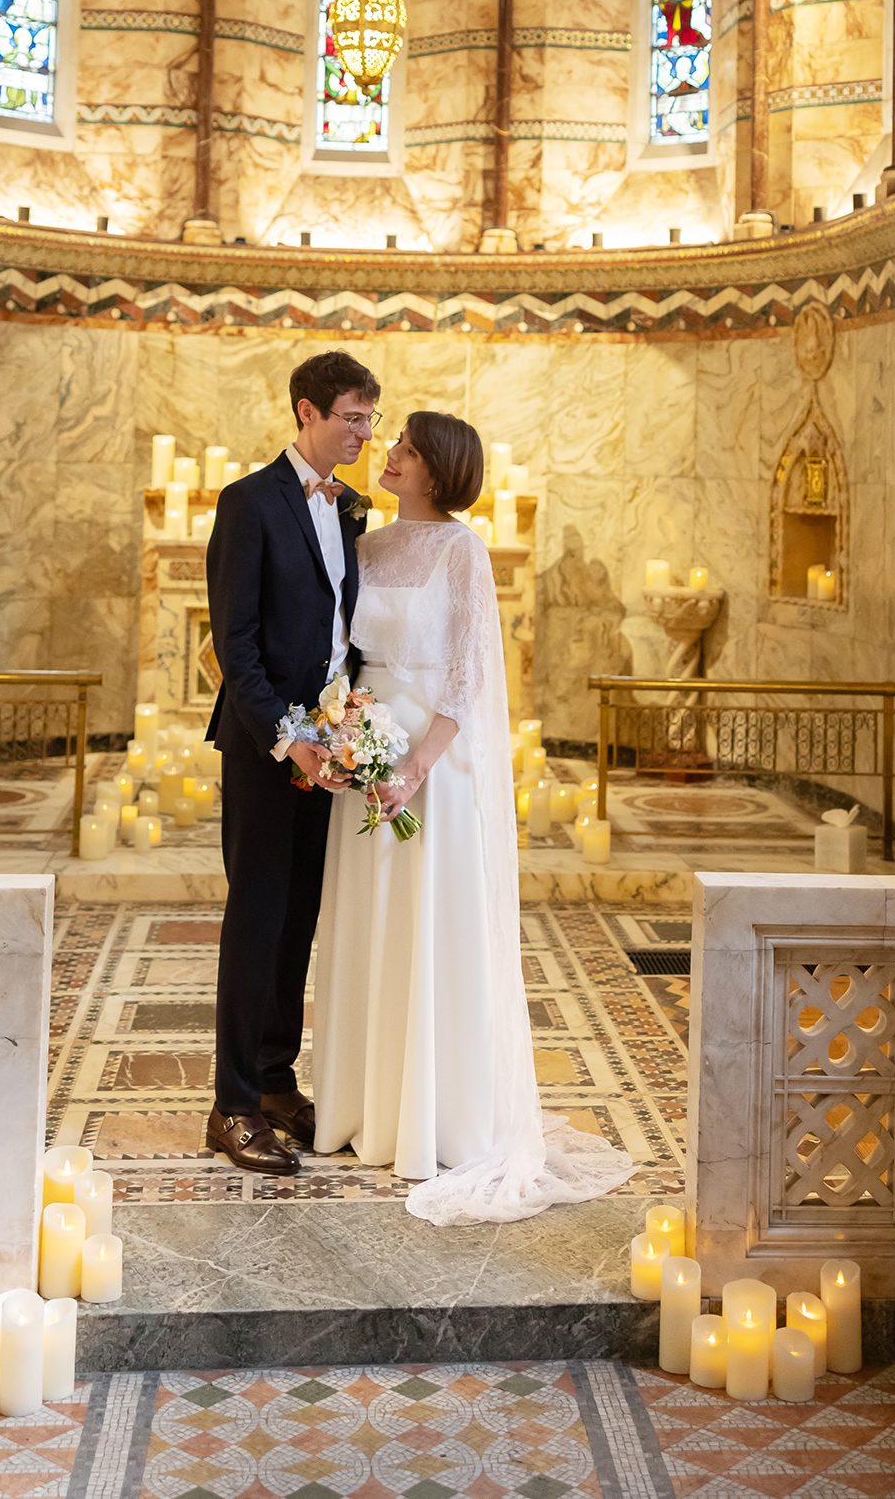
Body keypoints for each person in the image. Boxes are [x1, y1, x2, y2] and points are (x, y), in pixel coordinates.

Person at [312, 410, 634, 1223]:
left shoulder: (462, 551)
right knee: (371, 921)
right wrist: (348, 735)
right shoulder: (367, 546)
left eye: (407, 449)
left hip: (435, 763)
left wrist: (417, 765)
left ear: (436, 469)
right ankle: (366, 1109)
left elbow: (465, 675)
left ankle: (437, 1117)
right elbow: (341, 654)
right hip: (367, 749)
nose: (390, 454)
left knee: (430, 923)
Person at [203, 348, 380, 1175]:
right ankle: (231, 1103)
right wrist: (287, 737)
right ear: (306, 411)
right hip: (265, 745)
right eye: (352, 417)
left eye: (371, 418)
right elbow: (233, 646)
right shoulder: (247, 503)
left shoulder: (352, 509)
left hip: (329, 745)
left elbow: (341, 639)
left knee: (299, 920)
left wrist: (347, 729)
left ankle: (276, 1081)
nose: (365, 433)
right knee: (256, 920)